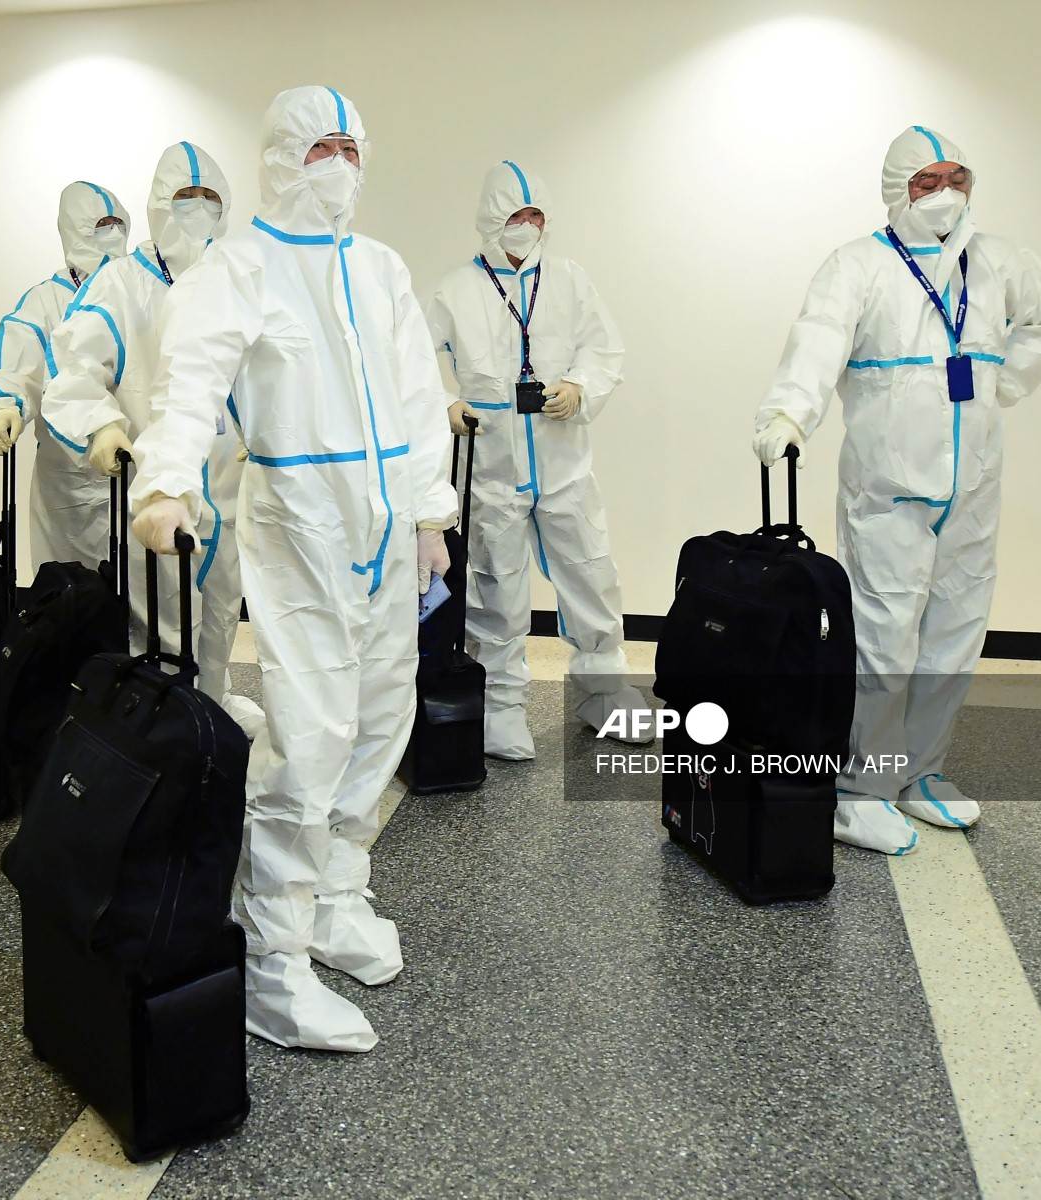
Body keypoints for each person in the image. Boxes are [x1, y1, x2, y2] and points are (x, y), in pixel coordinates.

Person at [128, 86, 457, 1053]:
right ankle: (273, 962)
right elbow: (189, 384)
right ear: (281, 158)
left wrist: (431, 513)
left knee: (381, 716)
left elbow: (415, 397)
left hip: (388, 526)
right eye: (322, 146)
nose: (341, 164)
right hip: (299, 521)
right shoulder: (237, 269)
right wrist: (167, 481)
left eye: (353, 146)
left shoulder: (382, 268)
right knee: (309, 738)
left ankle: (338, 896)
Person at [755, 126, 1041, 854]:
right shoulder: (859, 265)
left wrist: (1004, 383)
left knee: (957, 628)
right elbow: (817, 338)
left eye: (956, 178)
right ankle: (861, 785)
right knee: (884, 632)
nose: (946, 195)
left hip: (975, 479)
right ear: (897, 189)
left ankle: (921, 770)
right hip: (888, 483)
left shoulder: (999, 261)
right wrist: (787, 411)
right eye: (927, 182)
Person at [424, 161, 651, 761]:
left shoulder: (570, 280)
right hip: (492, 470)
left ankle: (604, 693)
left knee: (592, 576)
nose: (525, 227)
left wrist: (579, 386)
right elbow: (413, 362)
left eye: (534, 217)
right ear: (489, 221)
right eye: (513, 217)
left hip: (564, 463)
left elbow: (605, 348)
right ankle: (500, 707)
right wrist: (445, 402)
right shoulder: (456, 290)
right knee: (496, 590)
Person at [40, 143, 262, 736]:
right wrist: (103, 425)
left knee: (220, 609)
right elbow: (72, 374)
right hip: (161, 484)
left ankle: (208, 714)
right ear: (158, 205)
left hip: (237, 480)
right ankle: (164, 727)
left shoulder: (243, 273)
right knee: (158, 615)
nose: (195, 210)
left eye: (208, 198)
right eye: (181, 198)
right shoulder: (120, 283)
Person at [0, 181, 130, 572]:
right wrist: (6, 408)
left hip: (131, 458)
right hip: (67, 475)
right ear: (72, 230)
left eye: (117, 224)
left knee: (141, 590)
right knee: (66, 589)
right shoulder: (45, 300)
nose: (111, 234)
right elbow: (18, 367)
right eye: (98, 225)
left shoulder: (137, 289)